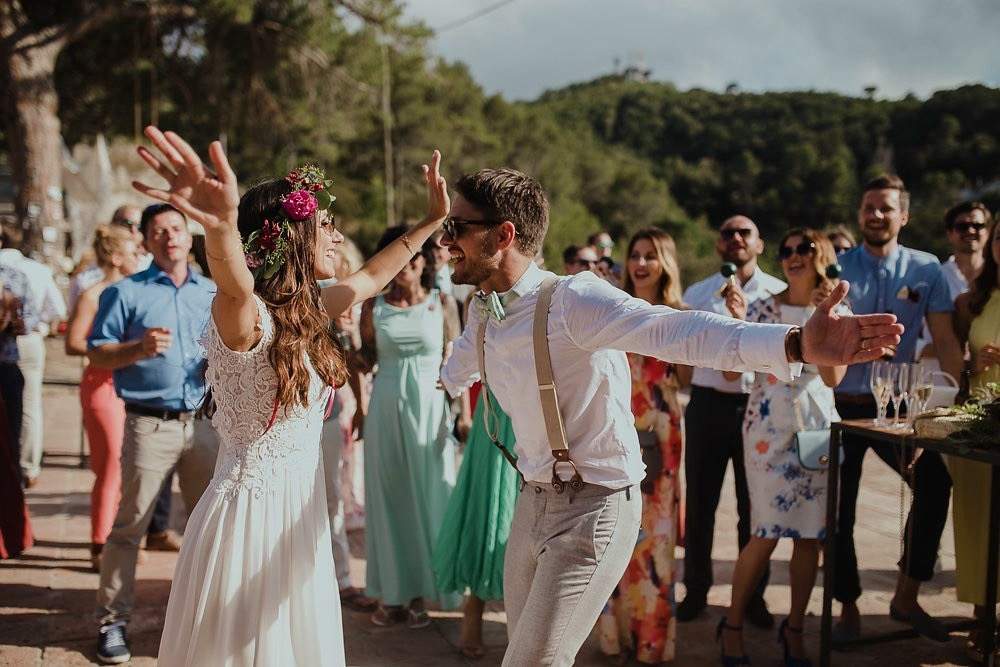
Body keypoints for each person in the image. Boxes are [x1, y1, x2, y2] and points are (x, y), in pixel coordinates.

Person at [437, 165, 901, 666]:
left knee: (532, 662)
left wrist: (795, 343)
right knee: (523, 653)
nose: (446, 241)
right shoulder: (483, 309)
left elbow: (683, 332)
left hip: (594, 508)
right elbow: (457, 366)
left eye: (455, 228)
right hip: (530, 502)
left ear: (503, 234)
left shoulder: (573, 300)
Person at [129, 127, 448, 666]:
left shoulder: (313, 306)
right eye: (325, 224)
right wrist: (222, 226)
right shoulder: (244, 314)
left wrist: (432, 222)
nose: (336, 236)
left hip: (298, 517)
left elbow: (372, 274)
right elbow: (231, 277)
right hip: (249, 518)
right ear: (286, 237)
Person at [831, 174, 963, 644]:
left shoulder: (927, 269)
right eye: (869, 206)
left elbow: (945, 339)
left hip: (897, 407)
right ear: (860, 213)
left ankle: (907, 595)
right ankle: (846, 605)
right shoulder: (837, 266)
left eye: (886, 207)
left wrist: (961, 401)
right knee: (838, 511)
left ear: (903, 215)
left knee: (934, 483)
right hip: (841, 407)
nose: (876, 214)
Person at [88, 201, 221, 663]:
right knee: (130, 527)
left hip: (206, 423)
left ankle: (208, 619)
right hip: (149, 423)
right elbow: (97, 353)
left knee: (211, 526)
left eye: (177, 228)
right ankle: (112, 622)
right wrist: (136, 348)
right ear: (146, 241)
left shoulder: (212, 291)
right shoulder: (125, 292)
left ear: (189, 236)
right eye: (159, 230)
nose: (169, 236)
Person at [720, 228, 848, 667]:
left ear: (821, 256)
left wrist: (828, 326)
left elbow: (833, 380)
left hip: (815, 428)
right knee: (763, 534)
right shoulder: (760, 308)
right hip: (765, 432)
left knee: (810, 536)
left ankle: (794, 629)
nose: (793, 256)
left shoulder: (836, 309)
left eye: (803, 249)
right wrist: (735, 324)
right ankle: (731, 625)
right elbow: (731, 377)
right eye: (786, 250)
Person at [677, 215, 786, 625]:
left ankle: (754, 597)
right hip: (706, 405)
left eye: (745, 233)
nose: (736, 238)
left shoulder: (777, 293)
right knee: (702, 504)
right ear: (718, 244)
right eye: (728, 233)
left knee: (753, 506)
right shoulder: (697, 292)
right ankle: (696, 590)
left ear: (760, 244)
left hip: (755, 407)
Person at [358, 225, 464, 627]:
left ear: (425, 261)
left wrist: (465, 416)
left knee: (432, 494)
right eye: (398, 256)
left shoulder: (443, 304)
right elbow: (365, 360)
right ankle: (394, 592)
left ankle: (425, 589)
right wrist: (345, 341)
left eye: (414, 256)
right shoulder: (374, 306)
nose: (407, 264)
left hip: (431, 407)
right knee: (390, 498)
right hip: (385, 405)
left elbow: (457, 361)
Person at [598, 228, 692, 665]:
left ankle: (651, 641)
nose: (640, 263)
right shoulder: (613, 309)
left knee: (655, 537)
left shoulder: (679, 314)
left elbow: (688, 379)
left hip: (663, 430)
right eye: (634, 254)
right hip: (617, 425)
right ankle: (614, 636)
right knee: (615, 532)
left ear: (665, 262)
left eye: (650, 256)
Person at [64, 225, 142, 571]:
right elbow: (73, 343)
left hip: (133, 385)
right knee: (109, 466)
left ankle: (123, 538)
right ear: (115, 257)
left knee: (130, 466)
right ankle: (100, 542)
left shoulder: (136, 292)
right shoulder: (93, 295)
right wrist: (120, 350)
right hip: (101, 386)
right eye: (133, 251)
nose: (140, 257)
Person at [432, 382, 519, 660]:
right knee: (488, 505)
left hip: (551, 404)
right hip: (500, 410)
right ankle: (474, 607)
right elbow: (463, 359)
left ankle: (528, 625)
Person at [952, 217, 1000, 662]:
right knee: (976, 523)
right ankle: (982, 616)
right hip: (980, 422)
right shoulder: (972, 301)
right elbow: (957, 371)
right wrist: (973, 364)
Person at [0, 218, 67, 487]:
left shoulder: (12, 276)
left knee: (19, 414)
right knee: (30, 407)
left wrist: (12, 319)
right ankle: (27, 467)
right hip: (24, 348)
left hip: (9, 356)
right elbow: (54, 312)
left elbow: (24, 320)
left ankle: (19, 471)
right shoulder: (29, 270)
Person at [69, 206, 152, 310]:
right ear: (113, 224)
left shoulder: (154, 268)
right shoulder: (87, 280)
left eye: (140, 227)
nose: (133, 230)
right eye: (127, 224)